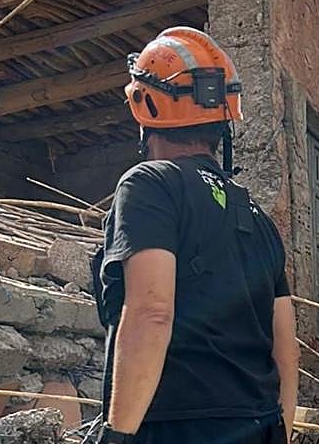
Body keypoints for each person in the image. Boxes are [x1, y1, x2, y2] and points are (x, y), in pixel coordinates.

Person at [93, 27, 299, 444]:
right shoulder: (257, 217)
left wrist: (117, 436)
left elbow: (152, 312)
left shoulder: (149, 184)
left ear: (143, 107)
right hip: (259, 425)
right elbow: (286, 350)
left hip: (177, 427)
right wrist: (283, 431)